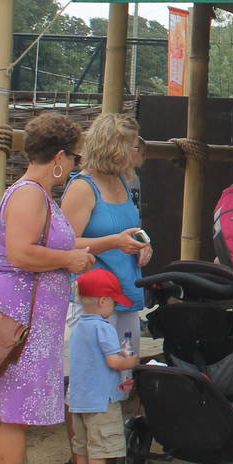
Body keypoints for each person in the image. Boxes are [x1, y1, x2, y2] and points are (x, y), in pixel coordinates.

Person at [0, 113, 91, 464]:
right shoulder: (29, 195)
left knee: (15, 409)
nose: (75, 165)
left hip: (34, 315)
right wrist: (69, 259)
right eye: (74, 157)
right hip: (23, 316)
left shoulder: (38, 193)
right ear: (58, 157)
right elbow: (21, 253)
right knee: (14, 410)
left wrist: (96, 246)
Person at [62, 112, 151, 354]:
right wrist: (114, 242)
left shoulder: (122, 181)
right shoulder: (82, 187)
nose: (136, 153)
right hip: (93, 298)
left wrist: (143, 244)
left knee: (125, 372)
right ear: (114, 149)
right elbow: (64, 245)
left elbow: (130, 230)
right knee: (97, 374)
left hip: (126, 291)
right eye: (132, 147)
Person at [67, 266, 140, 464]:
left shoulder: (78, 327)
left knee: (82, 441)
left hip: (79, 397)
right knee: (101, 442)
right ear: (102, 301)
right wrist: (130, 360)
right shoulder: (103, 328)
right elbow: (113, 361)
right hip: (101, 398)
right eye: (113, 303)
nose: (115, 308)